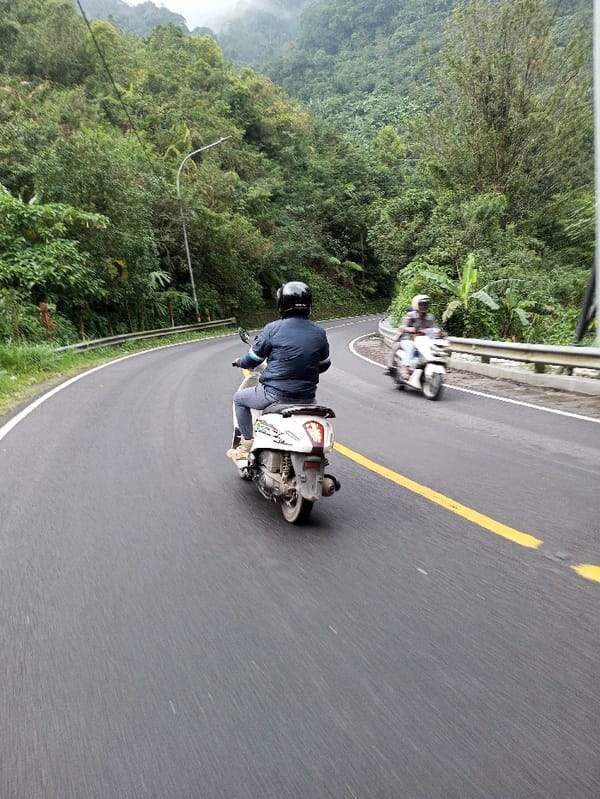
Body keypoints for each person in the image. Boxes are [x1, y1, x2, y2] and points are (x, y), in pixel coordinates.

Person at [226, 281, 331, 460]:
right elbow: (324, 364)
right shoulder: (319, 332)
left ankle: (247, 444)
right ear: (309, 305)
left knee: (239, 399)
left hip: (275, 395)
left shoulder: (272, 329)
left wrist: (240, 362)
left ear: (281, 304)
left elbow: (253, 359)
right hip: (307, 397)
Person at [383, 294, 439, 379]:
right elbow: (402, 327)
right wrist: (409, 329)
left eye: (426, 304)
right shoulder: (410, 315)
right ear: (417, 305)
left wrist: (439, 332)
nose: (424, 306)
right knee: (410, 347)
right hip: (409, 339)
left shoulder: (430, 317)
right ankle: (404, 369)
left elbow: (435, 328)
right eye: (422, 304)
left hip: (423, 340)